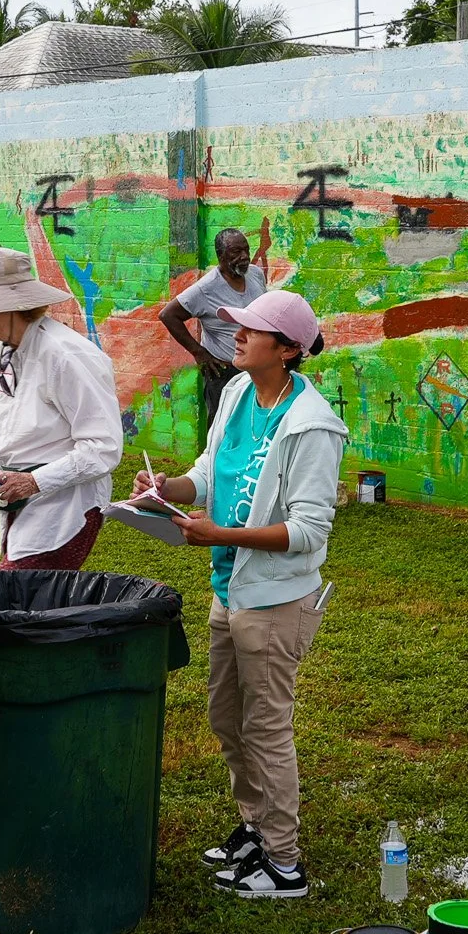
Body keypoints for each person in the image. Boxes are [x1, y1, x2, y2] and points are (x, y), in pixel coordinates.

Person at [137, 289, 344, 899]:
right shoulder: (235, 393)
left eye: (250, 330)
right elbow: (209, 470)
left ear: (286, 349)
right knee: (226, 718)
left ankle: (283, 863)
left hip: (275, 600)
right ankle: (254, 827)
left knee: (266, 727)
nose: (236, 337)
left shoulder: (313, 426)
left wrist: (219, 534)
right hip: (228, 589)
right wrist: (168, 488)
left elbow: (309, 530)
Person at [0, 247, 123, 570]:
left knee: (15, 604)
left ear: (17, 304)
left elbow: (104, 448)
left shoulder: (66, 355)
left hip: (64, 511)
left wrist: (33, 481)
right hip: (16, 505)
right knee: (22, 608)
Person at [159, 222, 271, 420]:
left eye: (246, 250)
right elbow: (168, 315)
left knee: (257, 422)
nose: (244, 256)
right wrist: (199, 353)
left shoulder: (255, 274)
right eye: (236, 252)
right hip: (226, 373)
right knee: (223, 428)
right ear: (220, 256)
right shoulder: (205, 288)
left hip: (258, 369)